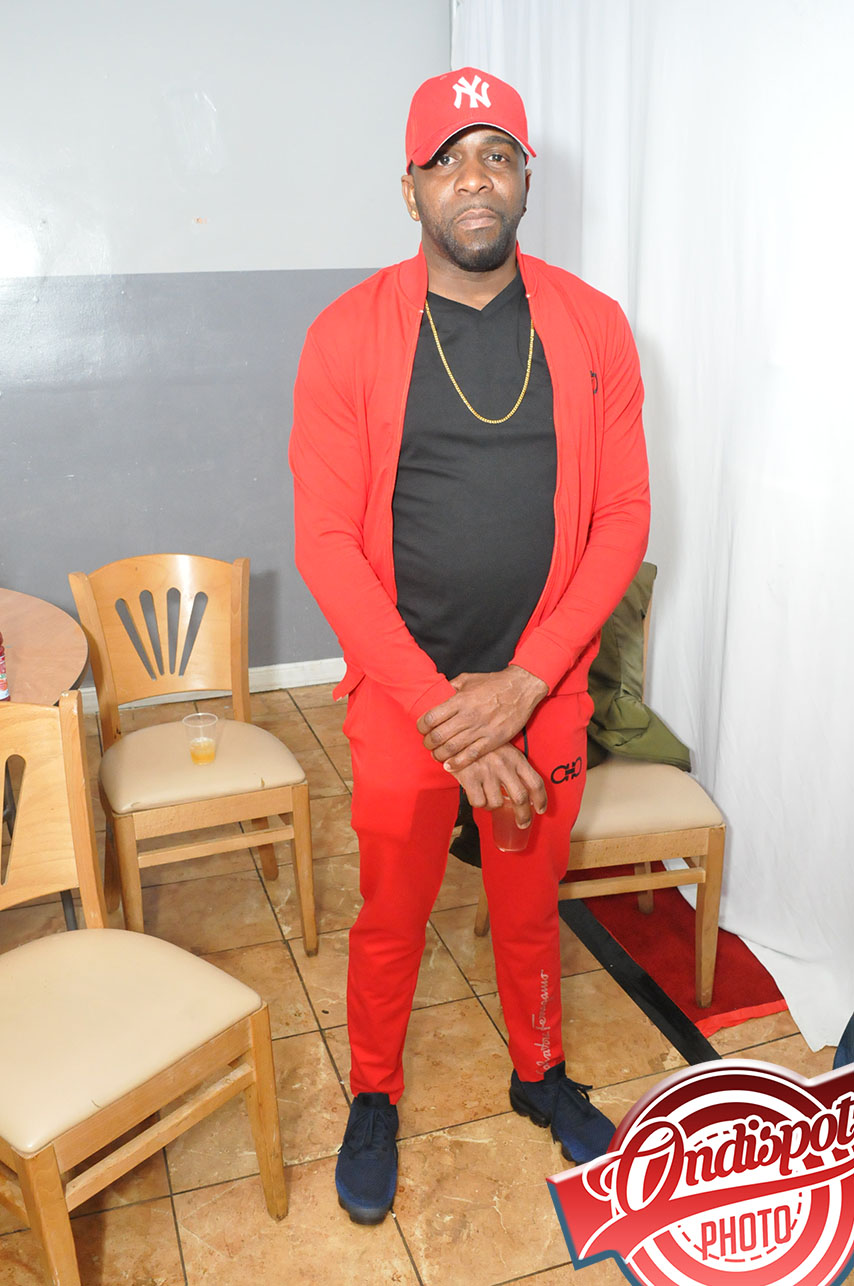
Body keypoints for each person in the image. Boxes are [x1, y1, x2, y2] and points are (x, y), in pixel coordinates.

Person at [290, 66, 650, 1225]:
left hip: (542, 693)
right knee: (391, 912)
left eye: (495, 154)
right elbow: (324, 542)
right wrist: (446, 709)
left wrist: (525, 684)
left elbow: (622, 518)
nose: (473, 178)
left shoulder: (592, 328)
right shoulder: (345, 335)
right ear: (409, 190)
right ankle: (375, 1090)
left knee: (528, 900)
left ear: (525, 180)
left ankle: (537, 1069)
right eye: (445, 160)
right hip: (406, 699)